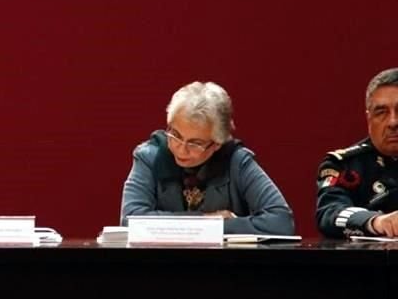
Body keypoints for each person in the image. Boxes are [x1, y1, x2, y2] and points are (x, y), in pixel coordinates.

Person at [120, 81, 294, 235]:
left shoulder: (237, 162)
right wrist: (208, 222)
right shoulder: (150, 157)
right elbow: (130, 220)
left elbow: (281, 222)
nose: (181, 149)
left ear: (217, 143)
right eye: (175, 135)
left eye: (195, 143)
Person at [316, 68, 398, 238]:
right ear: (369, 119)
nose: (393, 122)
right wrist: (377, 222)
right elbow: (330, 213)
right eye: (381, 112)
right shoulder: (345, 166)